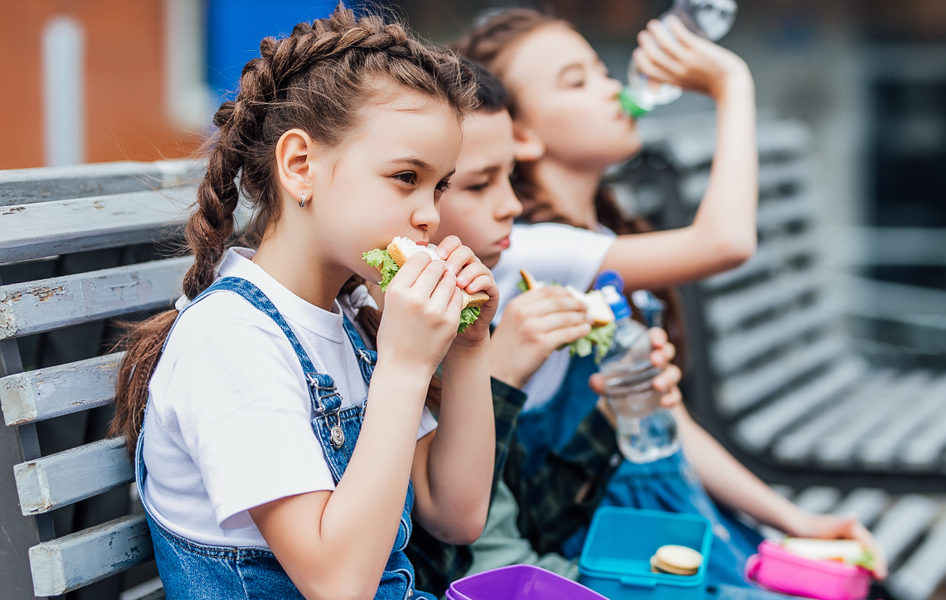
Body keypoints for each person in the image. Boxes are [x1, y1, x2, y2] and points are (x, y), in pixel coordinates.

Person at [455, 7, 888, 592]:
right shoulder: (529, 254)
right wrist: (730, 85)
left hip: (656, 512)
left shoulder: (592, 240)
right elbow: (728, 241)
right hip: (612, 536)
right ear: (519, 132)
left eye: (600, 71)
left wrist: (792, 520)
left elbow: (664, 416)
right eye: (576, 81)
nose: (613, 86)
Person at [109, 9, 498, 599]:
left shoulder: (351, 320)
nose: (430, 214)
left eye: (439, 185)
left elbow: (456, 513)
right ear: (300, 166)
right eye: (404, 177)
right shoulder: (230, 339)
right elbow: (338, 586)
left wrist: (467, 348)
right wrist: (406, 365)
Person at [404, 58, 683, 597]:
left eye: (510, 177)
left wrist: (608, 417)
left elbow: (524, 527)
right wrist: (496, 374)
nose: (511, 205)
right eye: (478, 184)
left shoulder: (468, 313)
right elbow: (445, 558)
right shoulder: (406, 337)